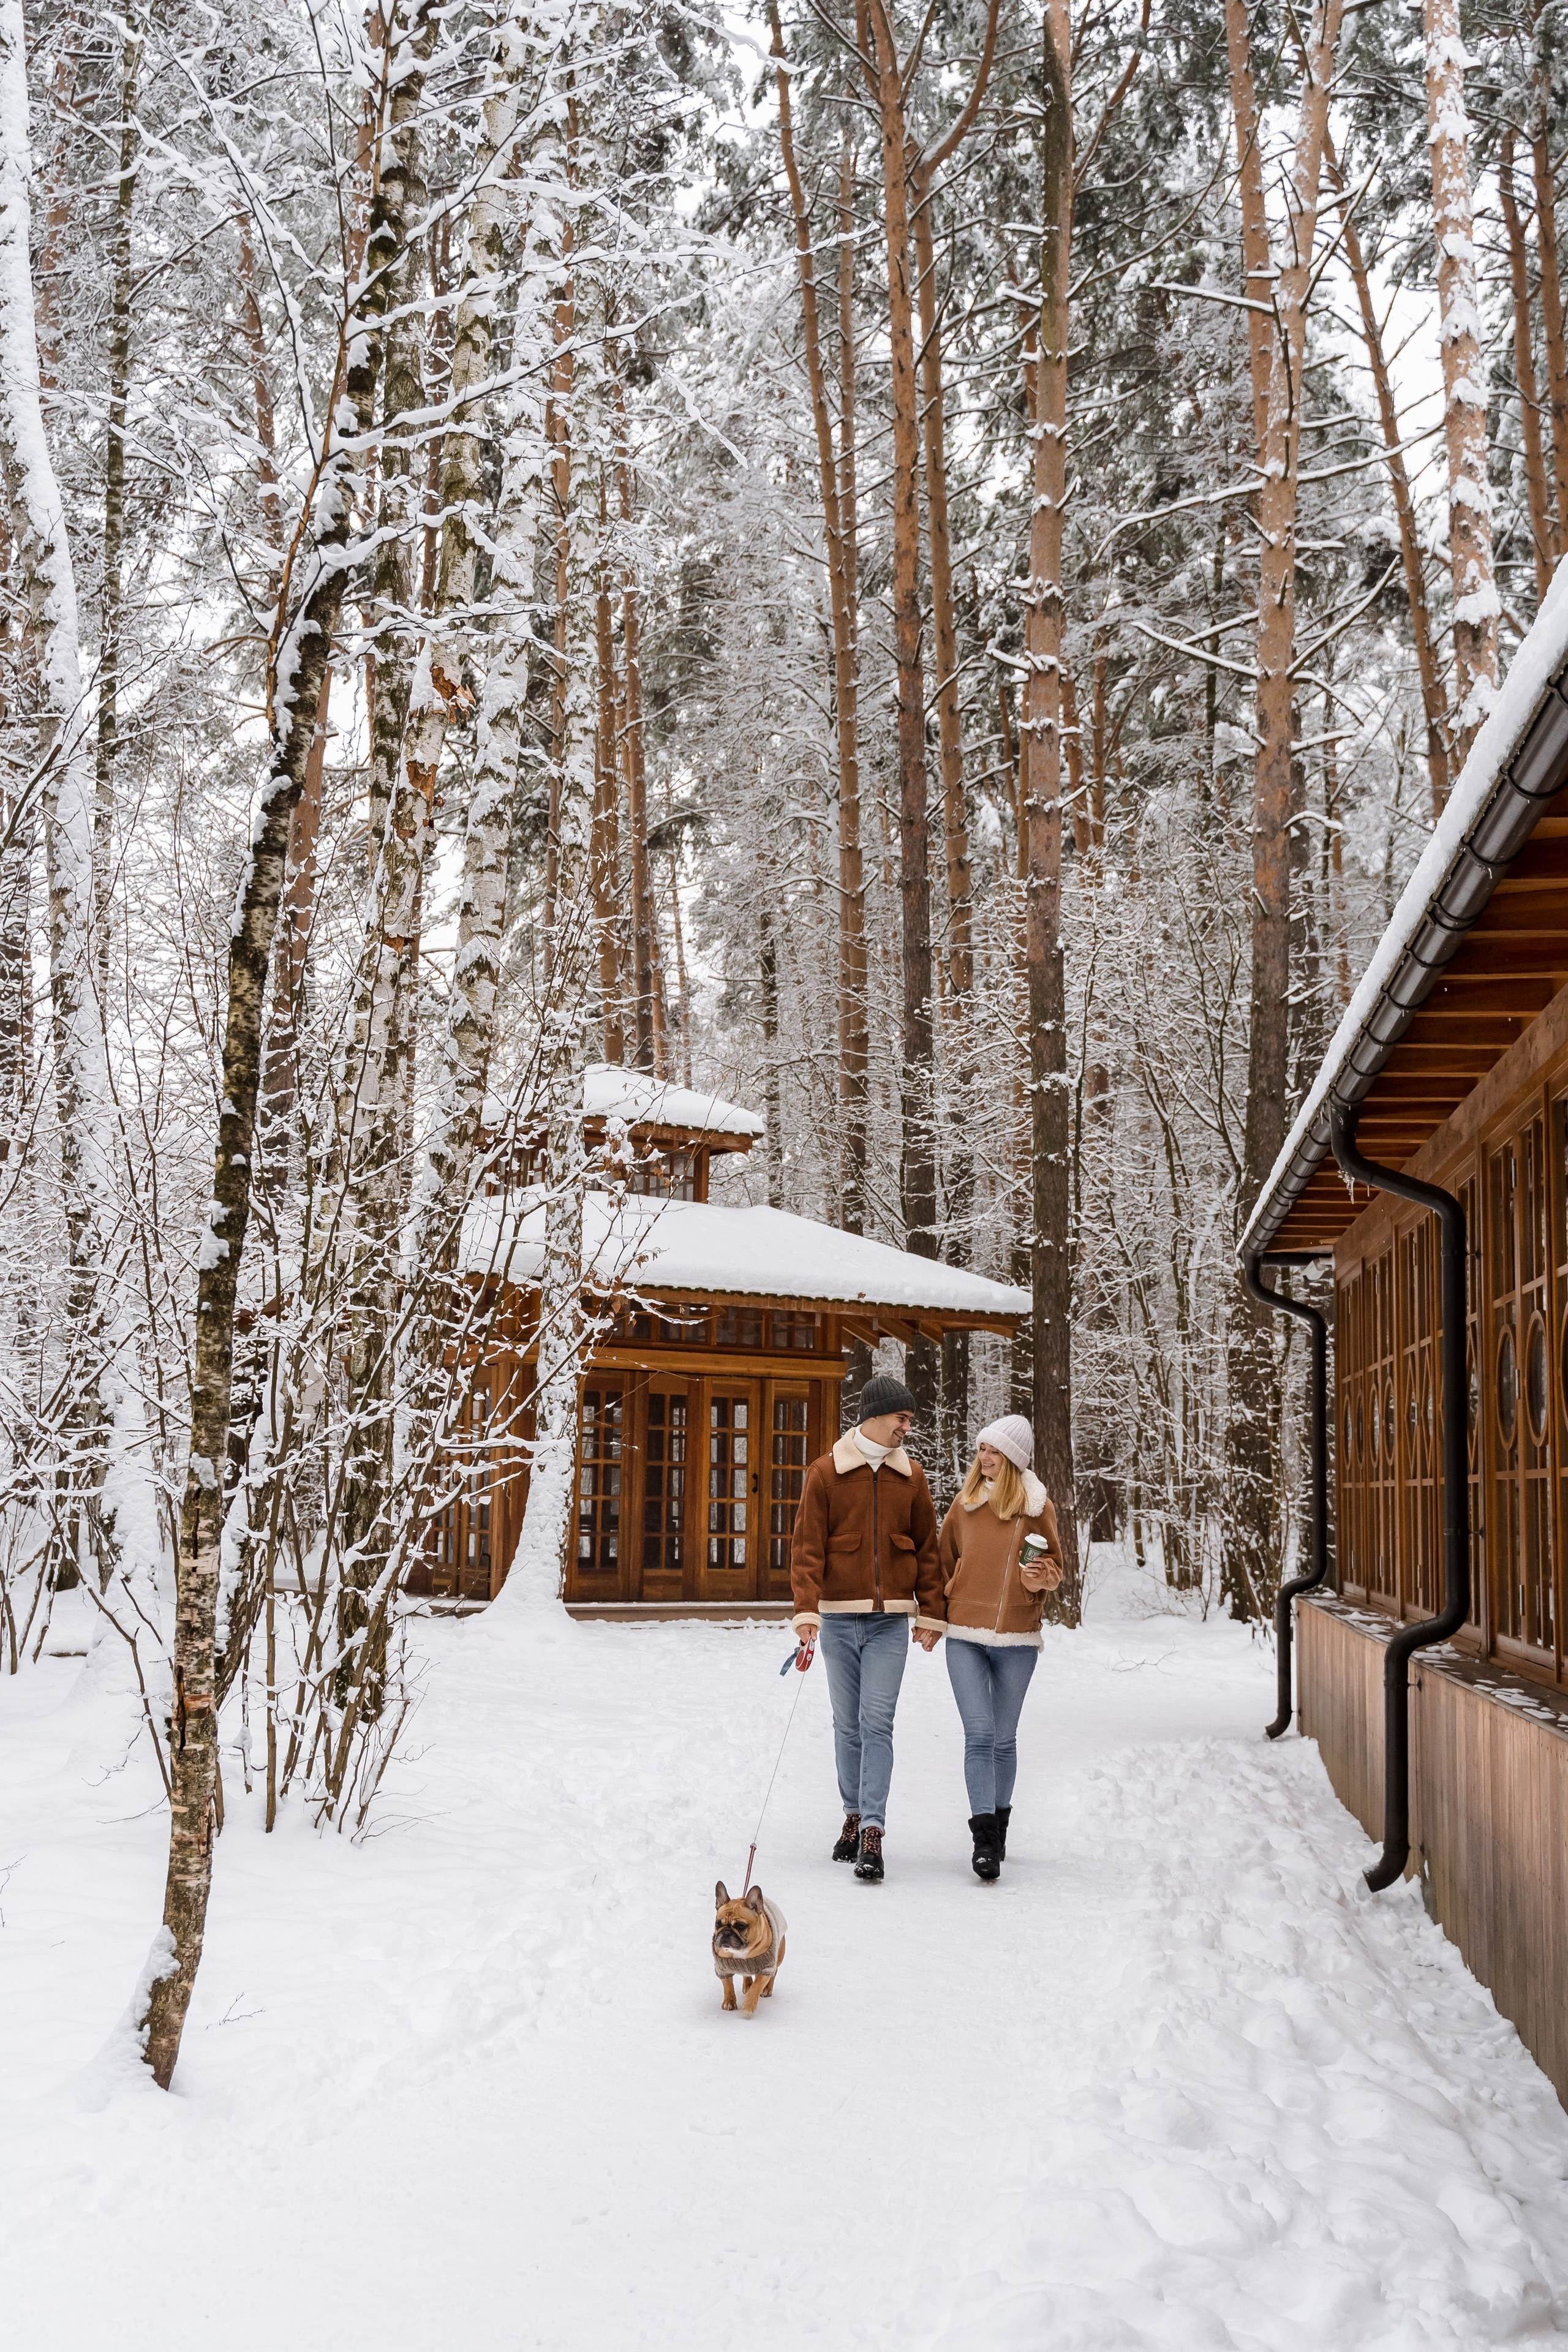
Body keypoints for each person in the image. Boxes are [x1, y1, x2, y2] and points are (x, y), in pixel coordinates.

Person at [788, 1373, 945, 1882]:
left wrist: (932, 1611)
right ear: (875, 1416)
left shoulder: (912, 1478)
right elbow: (807, 1547)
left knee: (878, 1723)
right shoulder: (826, 1473)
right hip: (835, 1620)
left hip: (888, 1626)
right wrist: (807, 1610)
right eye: (902, 1418)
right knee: (847, 1724)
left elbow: (927, 1550)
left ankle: (874, 1829)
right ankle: (851, 1816)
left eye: (910, 1420)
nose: (907, 1427)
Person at [937, 1414, 1063, 1883]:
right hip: (965, 1633)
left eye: (993, 1452)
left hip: (1016, 1636)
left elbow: (1055, 1567)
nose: (984, 1459)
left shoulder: (1036, 1507)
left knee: (1004, 1739)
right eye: (982, 1450)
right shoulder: (965, 1504)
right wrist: (936, 1612)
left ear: (1012, 1460)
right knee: (980, 1734)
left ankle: (1000, 1824)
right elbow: (941, 1560)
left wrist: (1039, 1578)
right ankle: (983, 1838)